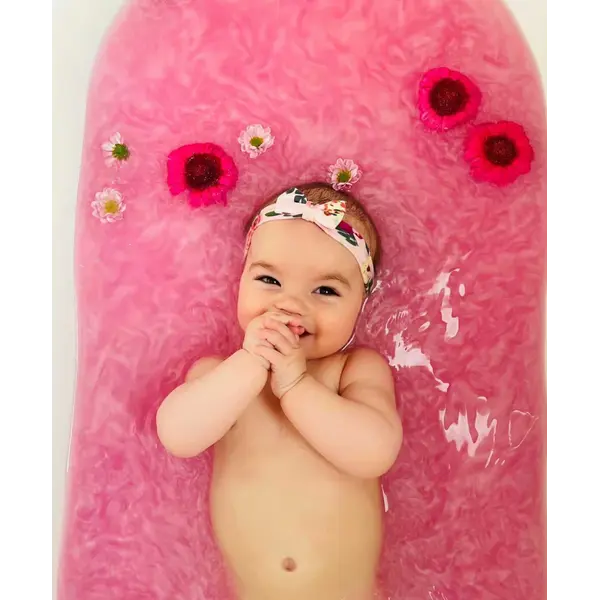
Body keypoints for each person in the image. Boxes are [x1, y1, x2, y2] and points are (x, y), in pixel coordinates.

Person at [156, 182, 403, 600]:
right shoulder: (221, 376)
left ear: (360, 304)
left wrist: (295, 385)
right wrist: (249, 364)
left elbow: (375, 452)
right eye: (269, 279)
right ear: (241, 281)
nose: (290, 305)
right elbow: (177, 436)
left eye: (325, 290)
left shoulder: (352, 371)